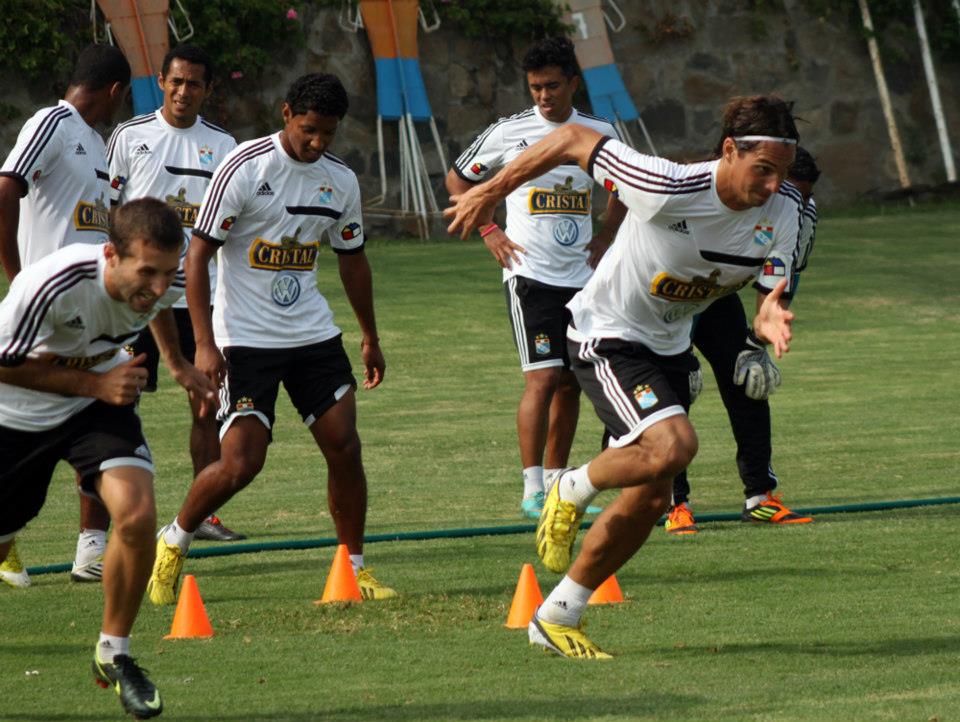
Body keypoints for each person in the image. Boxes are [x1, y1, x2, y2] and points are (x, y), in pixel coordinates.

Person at [446, 95, 803, 658]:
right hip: (607, 334)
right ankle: (568, 486)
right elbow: (571, 140)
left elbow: (769, 294)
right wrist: (489, 191)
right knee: (675, 446)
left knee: (652, 497)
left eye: (783, 172)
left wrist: (766, 319)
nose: (773, 185)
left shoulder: (783, 211)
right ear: (730, 150)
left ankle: (557, 615)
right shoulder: (666, 185)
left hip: (668, 347)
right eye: (763, 169)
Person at [147, 72, 397, 605]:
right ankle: (174, 538)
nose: (318, 143)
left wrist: (369, 336)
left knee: (345, 446)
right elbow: (197, 256)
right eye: (309, 130)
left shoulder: (341, 181)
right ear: (286, 114)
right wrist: (205, 343)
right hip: (244, 340)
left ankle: (353, 568)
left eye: (328, 133)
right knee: (242, 463)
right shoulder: (244, 167)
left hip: (312, 335)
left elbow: (352, 261)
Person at [0, 197, 216, 718]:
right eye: (147, 273)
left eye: (167, 272)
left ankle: (113, 653)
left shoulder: (164, 280)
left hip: (94, 408)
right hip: (15, 415)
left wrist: (176, 363)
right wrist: (95, 383)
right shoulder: (52, 284)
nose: (159, 287)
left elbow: (160, 307)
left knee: (137, 516)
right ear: (111, 255)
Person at [444, 37, 625, 519]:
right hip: (530, 275)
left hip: (582, 278)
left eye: (552, 86)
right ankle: (531, 491)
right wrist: (489, 229)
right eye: (535, 87)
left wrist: (606, 235)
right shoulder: (510, 131)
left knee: (570, 384)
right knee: (542, 379)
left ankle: (557, 485)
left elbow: (622, 186)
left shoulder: (599, 132)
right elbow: (459, 179)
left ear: (573, 83)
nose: (544, 96)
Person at [0, 44, 130, 587]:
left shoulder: (98, 144)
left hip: (90, 315)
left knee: (102, 414)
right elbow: (6, 187)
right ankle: (5, 541)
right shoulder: (51, 122)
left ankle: (90, 549)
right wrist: (16, 276)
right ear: (115, 90)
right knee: (20, 438)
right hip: (42, 317)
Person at [107, 43, 245, 542]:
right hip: (137, 301)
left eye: (194, 84)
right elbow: (108, 211)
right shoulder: (130, 136)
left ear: (208, 90)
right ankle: (106, 529)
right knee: (118, 406)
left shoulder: (224, 146)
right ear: (161, 82)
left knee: (207, 406)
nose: (184, 91)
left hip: (199, 303)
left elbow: (232, 226)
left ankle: (202, 515)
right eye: (177, 81)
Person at [666, 147, 821, 534]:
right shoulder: (704, 192)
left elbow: (783, 281)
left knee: (750, 380)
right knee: (673, 389)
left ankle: (760, 498)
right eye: (789, 192)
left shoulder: (798, 212)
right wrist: (682, 354)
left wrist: (756, 343)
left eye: (803, 197)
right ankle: (673, 502)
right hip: (670, 295)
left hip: (719, 294)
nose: (793, 203)